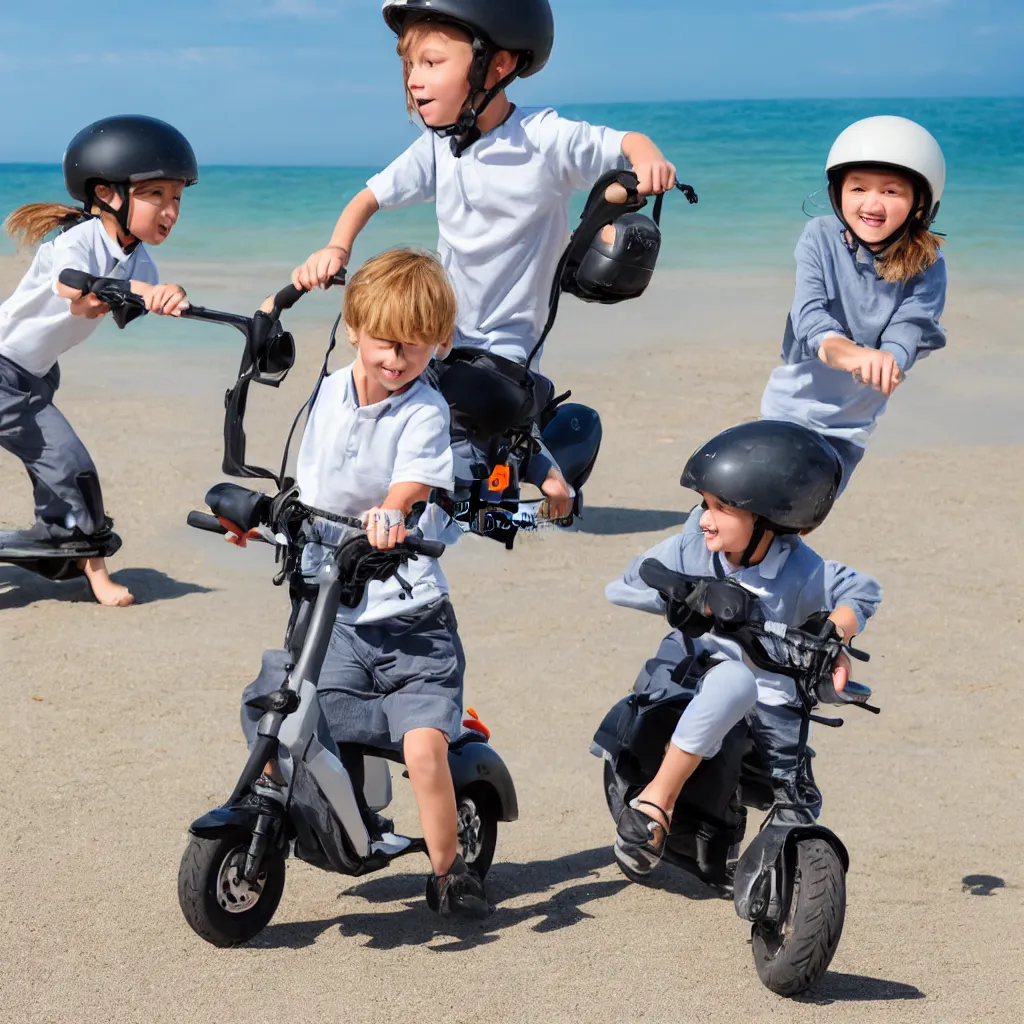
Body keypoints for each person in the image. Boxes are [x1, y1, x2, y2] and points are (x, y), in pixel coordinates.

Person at [292, 0, 677, 517]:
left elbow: (622, 141)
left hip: (505, 350)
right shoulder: (438, 147)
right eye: (409, 66)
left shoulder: (543, 139)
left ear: (496, 66)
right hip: (440, 332)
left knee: (463, 451)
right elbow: (368, 198)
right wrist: (337, 248)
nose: (414, 80)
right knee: (361, 384)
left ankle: (543, 471)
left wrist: (647, 156)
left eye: (431, 63)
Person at [244, 249, 490, 919]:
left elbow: (414, 478)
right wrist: (270, 521)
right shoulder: (326, 389)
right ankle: (325, 821)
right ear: (353, 326)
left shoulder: (424, 410)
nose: (396, 358)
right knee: (279, 702)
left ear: (439, 343)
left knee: (423, 751)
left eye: (414, 346)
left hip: (411, 627)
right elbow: (314, 482)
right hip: (335, 605)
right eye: (384, 341)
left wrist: (393, 508)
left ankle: (449, 871)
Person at [605, 420, 882, 878]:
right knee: (734, 679)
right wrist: (690, 595)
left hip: (775, 708)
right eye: (704, 504)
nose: (704, 518)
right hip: (698, 686)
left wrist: (835, 633)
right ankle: (657, 801)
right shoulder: (695, 545)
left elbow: (864, 590)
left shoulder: (803, 570)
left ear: (766, 519)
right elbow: (622, 586)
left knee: (801, 802)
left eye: (720, 508)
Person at [0, 115, 196, 606]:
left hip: (35, 376)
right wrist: (143, 291)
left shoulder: (138, 259)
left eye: (177, 198)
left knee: (61, 474)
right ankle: (96, 575)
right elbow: (72, 287)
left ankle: (68, 548)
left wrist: (166, 298)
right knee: (72, 466)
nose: (170, 211)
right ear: (109, 195)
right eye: (157, 195)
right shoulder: (79, 239)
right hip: (4, 371)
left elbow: (101, 307)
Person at [760, 115, 947, 493]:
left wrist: (889, 358)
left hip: (851, 425)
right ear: (837, 192)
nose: (872, 203)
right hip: (789, 406)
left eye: (891, 192)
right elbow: (809, 315)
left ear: (919, 202)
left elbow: (910, 329)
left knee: (795, 517)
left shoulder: (928, 262)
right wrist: (845, 351)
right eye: (858, 188)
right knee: (739, 501)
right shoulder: (820, 236)